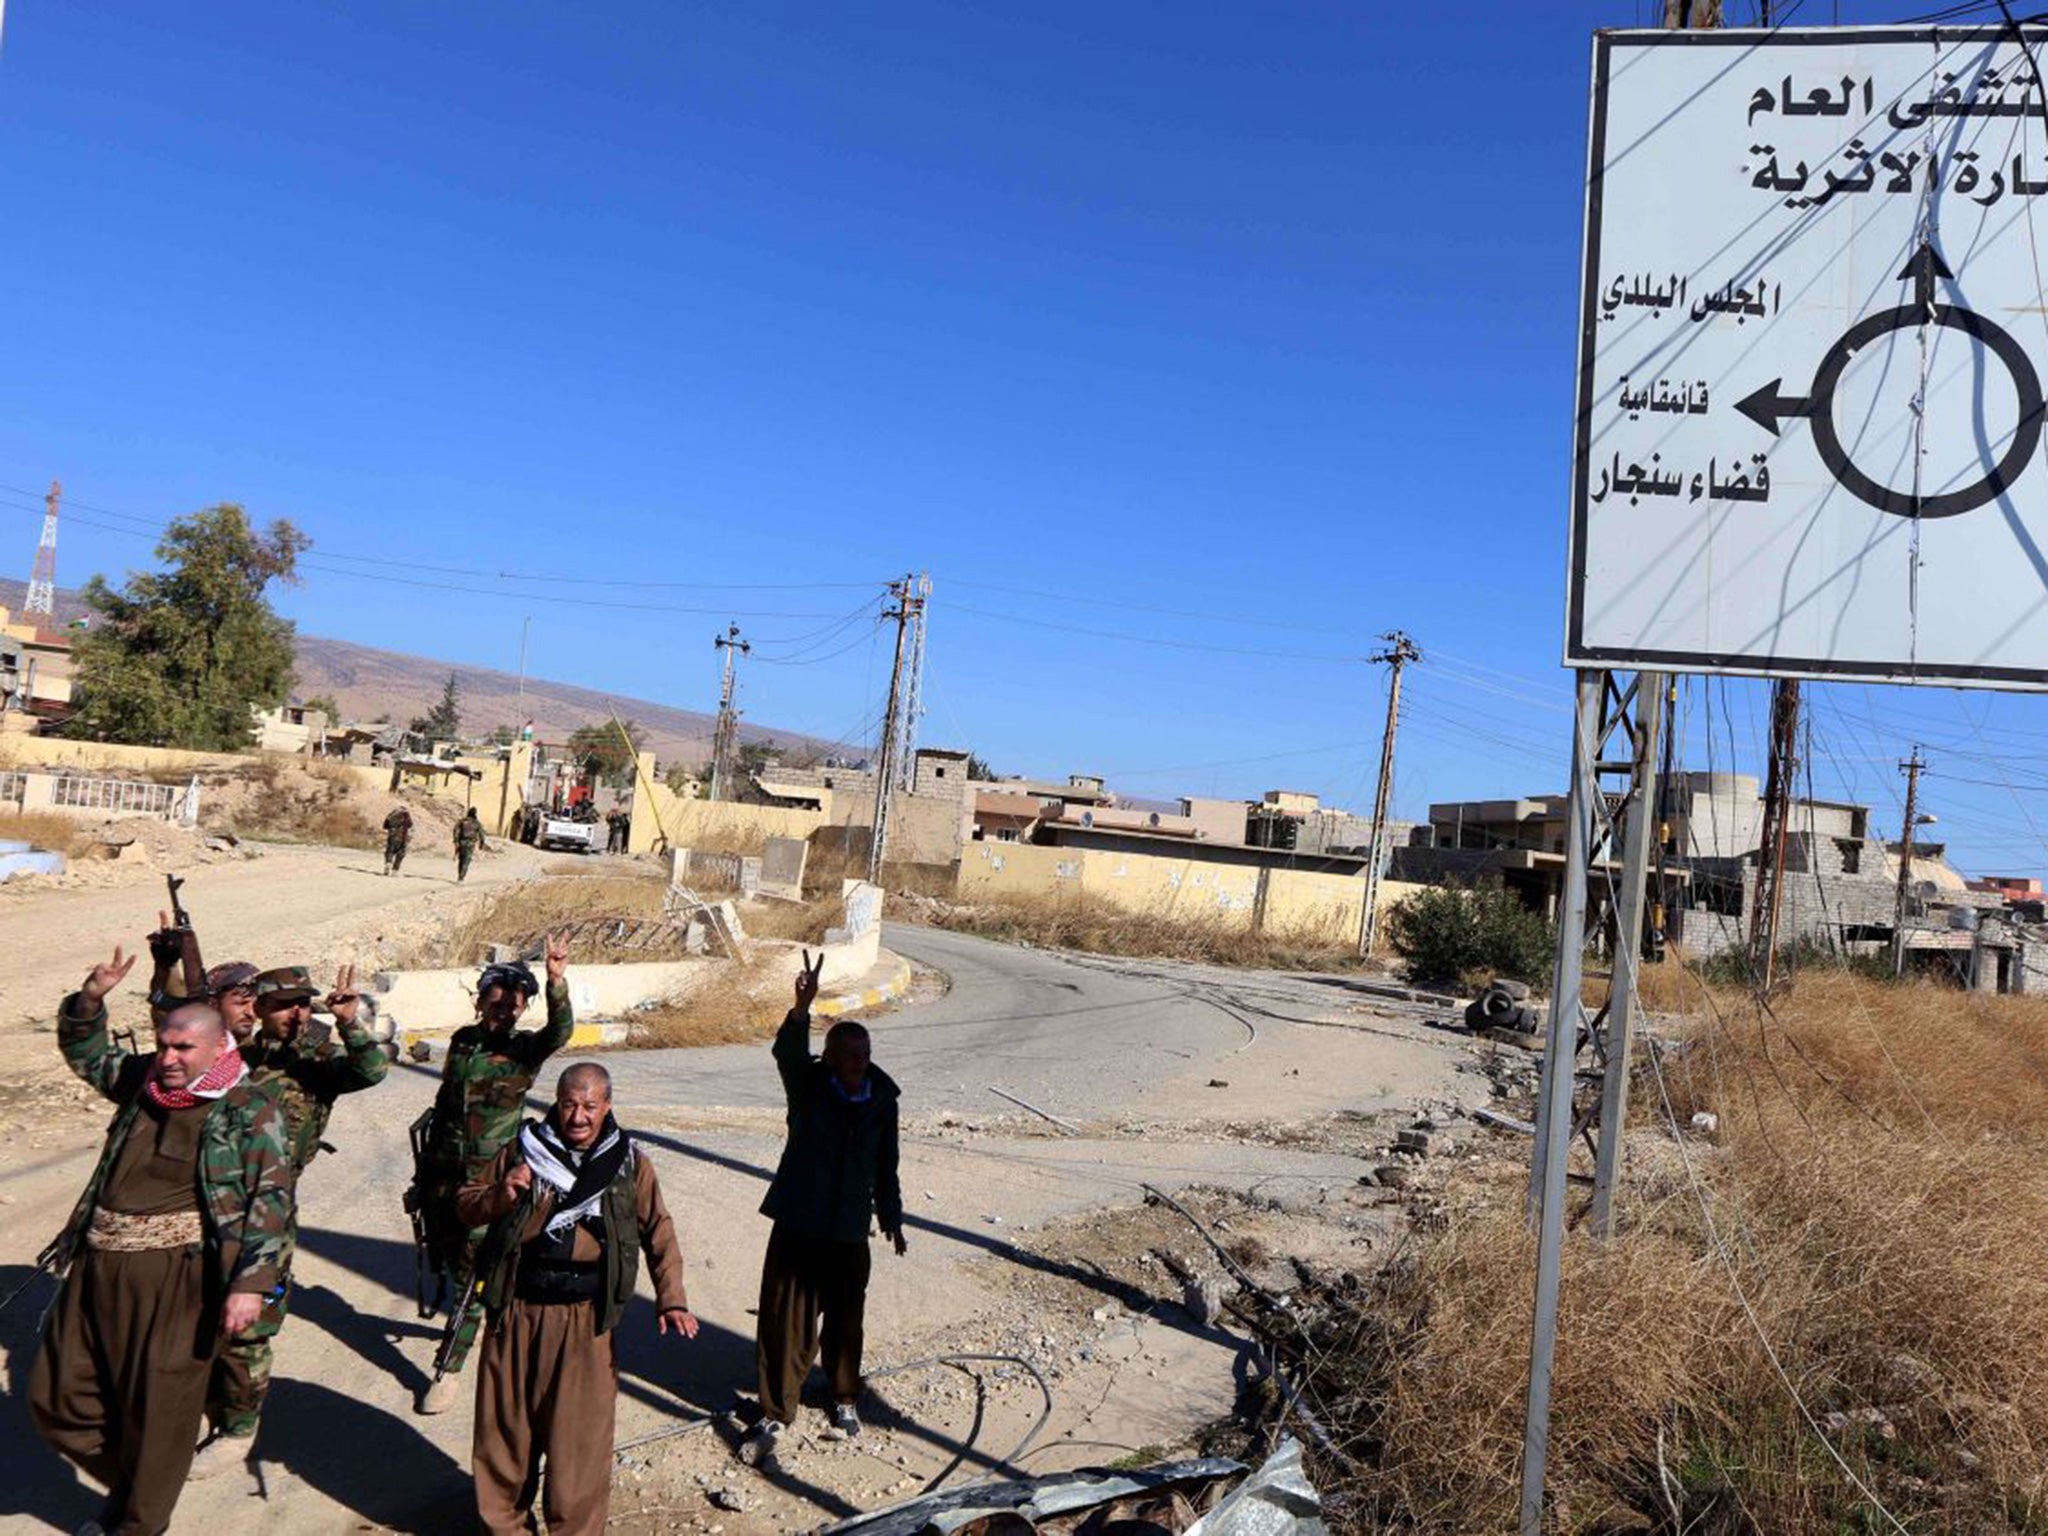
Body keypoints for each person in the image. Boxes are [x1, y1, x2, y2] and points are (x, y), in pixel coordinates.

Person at [29, 945, 294, 1536]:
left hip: (181, 1279)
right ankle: (142, 1480)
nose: (168, 1059)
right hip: (98, 1267)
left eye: (182, 1049)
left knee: (162, 1412)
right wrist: (90, 1001)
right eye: (165, 1046)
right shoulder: (147, 1083)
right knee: (57, 1396)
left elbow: (270, 1201)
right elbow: (88, 1055)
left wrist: (251, 1286)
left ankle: (136, 1522)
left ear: (216, 1046)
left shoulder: (247, 1106)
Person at [459, 1063, 695, 1535]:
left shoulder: (628, 1163)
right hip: (518, 1315)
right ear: (557, 1103)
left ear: (607, 1105)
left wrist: (672, 1299)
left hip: (586, 1323)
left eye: (590, 1106)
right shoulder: (522, 1151)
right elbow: (466, 1203)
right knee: (505, 1437)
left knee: (579, 1447)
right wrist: (501, 1197)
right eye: (569, 1104)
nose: (578, 1116)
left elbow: (658, 1231)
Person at [189, 963, 389, 1478]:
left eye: (304, 1003)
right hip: (209, 1204)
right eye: (285, 1005)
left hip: (269, 1209)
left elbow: (371, 1071)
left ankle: (239, 1428)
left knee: (252, 1327)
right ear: (259, 1007)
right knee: (199, 1312)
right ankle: (207, 1407)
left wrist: (348, 1022)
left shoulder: (319, 1059)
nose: (297, 1013)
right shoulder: (239, 1053)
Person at [739, 953, 904, 1471]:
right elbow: (787, 1054)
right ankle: (773, 1410)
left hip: (849, 1227)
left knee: (846, 1323)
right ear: (830, 1057)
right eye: (849, 1053)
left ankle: (844, 1398)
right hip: (800, 1222)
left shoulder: (882, 1100)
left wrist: (891, 1216)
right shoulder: (809, 1087)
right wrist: (800, 1010)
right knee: (785, 1323)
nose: (859, 1061)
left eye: (864, 1052)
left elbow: (887, 1165)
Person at [409, 932, 575, 1414]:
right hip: (443, 1174)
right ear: (480, 1001)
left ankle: (448, 1369)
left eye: (512, 1004)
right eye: (494, 1001)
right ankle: (478, 1319)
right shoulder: (462, 1042)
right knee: (445, 1256)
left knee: (472, 1277)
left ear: (523, 1010)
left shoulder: (525, 1052)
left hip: (489, 1181)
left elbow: (560, 1032)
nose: (502, 1009)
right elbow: (445, 1106)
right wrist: (424, 1176)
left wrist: (556, 981)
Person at [454, 807, 485, 883]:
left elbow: (455, 830)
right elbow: (481, 834)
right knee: (466, 860)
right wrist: (482, 843)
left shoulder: (462, 821)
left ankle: (460, 875)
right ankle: (461, 877)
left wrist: (456, 840)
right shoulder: (476, 823)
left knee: (461, 859)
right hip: (470, 844)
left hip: (462, 842)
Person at [382, 804, 413, 876]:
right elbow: (410, 825)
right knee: (400, 854)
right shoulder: (406, 816)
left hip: (392, 836)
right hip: (403, 837)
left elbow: (385, 826)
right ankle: (395, 870)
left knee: (390, 851)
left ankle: (388, 863)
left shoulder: (390, 816)